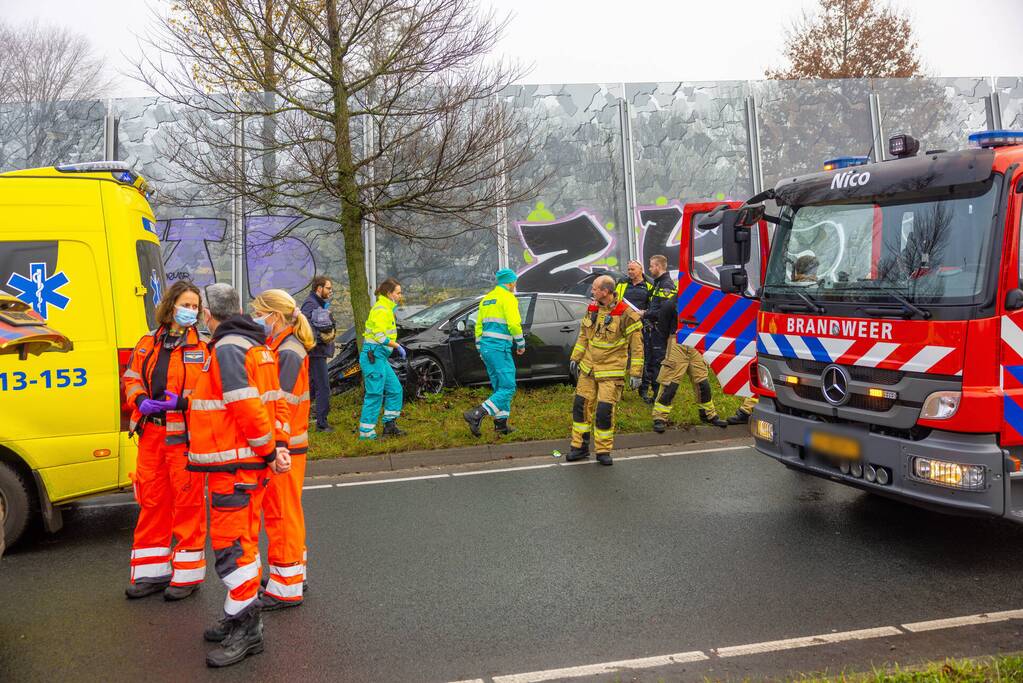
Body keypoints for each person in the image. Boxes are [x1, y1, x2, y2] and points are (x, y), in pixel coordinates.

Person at [187, 283, 292, 668]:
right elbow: (276, 402)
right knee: (243, 543)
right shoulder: (257, 346)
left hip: (234, 467)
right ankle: (239, 619)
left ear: (208, 314)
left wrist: (268, 451)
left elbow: (246, 406)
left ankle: (247, 631)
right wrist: (276, 447)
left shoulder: (228, 347)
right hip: (247, 466)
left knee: (235, 551)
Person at [122, 280, 209, 601]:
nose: (191, 311)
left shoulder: (203, 348)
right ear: (171, 306)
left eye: (195, 307)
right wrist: (140, 399)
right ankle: (151, 573)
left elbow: (211, 397)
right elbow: (130, 377)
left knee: (187, 503)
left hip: (183, 436)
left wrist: (182, 404)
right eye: (185, 305)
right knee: (152, 500)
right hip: (151, 432)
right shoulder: (147, 343)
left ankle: (186, 576)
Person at [252, 289, 315, 610]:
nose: (256, 318)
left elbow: (282, 404)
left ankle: (286, 587)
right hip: (289, 443)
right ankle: (290, 572)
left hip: (286, 445)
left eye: (259, 312)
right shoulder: (282, 347)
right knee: (285, 512)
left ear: (274, 317)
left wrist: (273, 444)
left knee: (282, 514)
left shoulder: (287, 352)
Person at [566, 274, 644, 466]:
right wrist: (575, 358)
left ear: (606, 292)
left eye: (595, 288)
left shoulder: (626, 313)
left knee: (604, 411)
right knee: (580, 408)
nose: (592, 291)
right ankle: (579, 447)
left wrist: (636, 372)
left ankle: (603, 450)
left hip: (611, 371)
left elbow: (637, 346)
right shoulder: (592, 308)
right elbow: (584, 335)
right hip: (589, 369)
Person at [651, 291, 728, 430]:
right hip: (677, 342)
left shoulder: (702, 302)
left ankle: (708, 414)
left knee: (703, 383)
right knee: (670, 383)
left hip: (696, 343)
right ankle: (659, 417)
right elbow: (662, 328)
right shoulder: (670, 304)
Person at [463, 269, 526, 436]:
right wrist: (520, 342)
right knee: (508, 386)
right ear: (511, 282)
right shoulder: (508, 298)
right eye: (515, 282)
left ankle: (501, 424)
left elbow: (478, 326)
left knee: (499, 386)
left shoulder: (487, 299)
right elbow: (513, 324)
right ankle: (477, 413)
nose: (515, 285)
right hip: (499, 348)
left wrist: (480, 348)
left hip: (486, 348)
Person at [358, 278, 406, 440]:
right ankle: (366, 434)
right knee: (374, 394)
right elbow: (379, 336)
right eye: (398, 292)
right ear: (389, 293)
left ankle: (389, 425)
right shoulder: (381, 310)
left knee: (395, 389)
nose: (400, 295)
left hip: (380, 357)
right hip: (374, 356)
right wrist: (396, 345)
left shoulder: (386, 308)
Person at [301, 276, 336, 433]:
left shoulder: (317, 304)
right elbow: (306, 328)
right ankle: (322, 424)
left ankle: (303, 418)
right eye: (328, 288)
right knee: (323, 388)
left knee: (312, 388)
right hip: (316, 353)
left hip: (318, 352)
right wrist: (322, 337)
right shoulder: (310, 304)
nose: (330, 291)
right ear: (319, 288)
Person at [641, 254, 677, 403]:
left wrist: (645, 313)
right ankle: (655, 395)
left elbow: (664, 310)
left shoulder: (666, 285)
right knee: (651, 363)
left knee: (658, 363)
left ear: (658, 266)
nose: (649, 269)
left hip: (659, 331)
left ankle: (659, 397)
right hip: (653, 330)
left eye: (651, 266)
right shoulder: (657, 283)